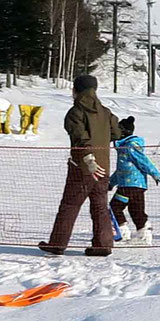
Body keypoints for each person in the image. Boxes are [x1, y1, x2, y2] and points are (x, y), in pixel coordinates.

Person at [39, 75, 120, 257]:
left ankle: (57, 244)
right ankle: (102, 245)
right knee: (100, 206)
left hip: (82, 167)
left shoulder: (76, 112)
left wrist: (88, 159)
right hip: (103, 167)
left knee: (70, 205)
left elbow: (79, 138)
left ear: (76, 90)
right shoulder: (106, 112)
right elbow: (116, 133)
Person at [109, 116, 160, 244]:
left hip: (130, 185)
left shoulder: (130, 147)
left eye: (118, 130)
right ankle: (144, 234)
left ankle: (122, 232)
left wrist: (155, 173)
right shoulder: (124, 147)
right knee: (136, 210)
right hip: (135, 185)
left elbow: (143, 161)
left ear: (124, 132)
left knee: (115, 207)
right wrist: (111, 182)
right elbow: (122, 170)